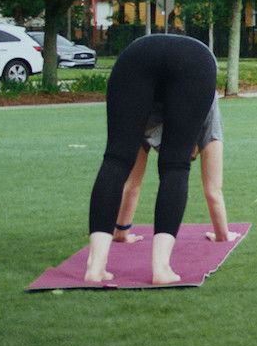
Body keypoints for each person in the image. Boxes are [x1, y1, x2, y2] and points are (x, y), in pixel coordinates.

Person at [81, 33, 218, 284]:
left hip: (138, 54)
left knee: (116, 159)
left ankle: (95, 266)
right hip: (194, 60)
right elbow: (209, 151)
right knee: (176, 165)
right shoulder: (204, 85)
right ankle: (161, 269)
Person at [110, 95, 236, 244]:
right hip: (179, 97)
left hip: (148, 97)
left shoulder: (145, 112)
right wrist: (222, 235)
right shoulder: (208, 117)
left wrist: (121, 231)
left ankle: (122, 231)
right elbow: (213, 190)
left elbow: (132, 184)